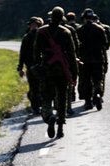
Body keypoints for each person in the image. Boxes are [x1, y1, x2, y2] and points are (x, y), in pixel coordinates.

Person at [33, 6, 78, 139]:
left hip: (47, 70)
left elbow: (35, 53)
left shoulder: (41, 32)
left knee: (46, 98)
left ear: (51, 17)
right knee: (62, 98)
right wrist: (74, 74)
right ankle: (60, 128)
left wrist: (37, 67)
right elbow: (71, 54)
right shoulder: (66, 32)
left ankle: (49, 117)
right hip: (62, 72)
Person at [77, 8, 108, 111]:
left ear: (84, 18)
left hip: (85, 60)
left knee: (87, 81)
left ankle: (88, 102)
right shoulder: (100, 29)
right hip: (98, 59)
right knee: (98, 80)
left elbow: (77, 46)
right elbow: (105, 44)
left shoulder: (80, 30)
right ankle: (97, 94)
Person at [17, 16, 44, 114]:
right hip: (34, 66)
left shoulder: (29, 37)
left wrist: (20, 67)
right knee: (35, 88)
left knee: (37, 87)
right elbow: (22, 54)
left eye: (34, 25)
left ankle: (38, 107)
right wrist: (20, 67)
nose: (33, 27)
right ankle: (37, 107)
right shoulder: (39, 35)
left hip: (39, 66)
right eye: (32, 25)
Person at [65, 11, 81, 114]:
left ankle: (68, 98)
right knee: (72, 76)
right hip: (74, 56)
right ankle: (72, 94)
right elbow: (76, 44)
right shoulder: (77, 28)